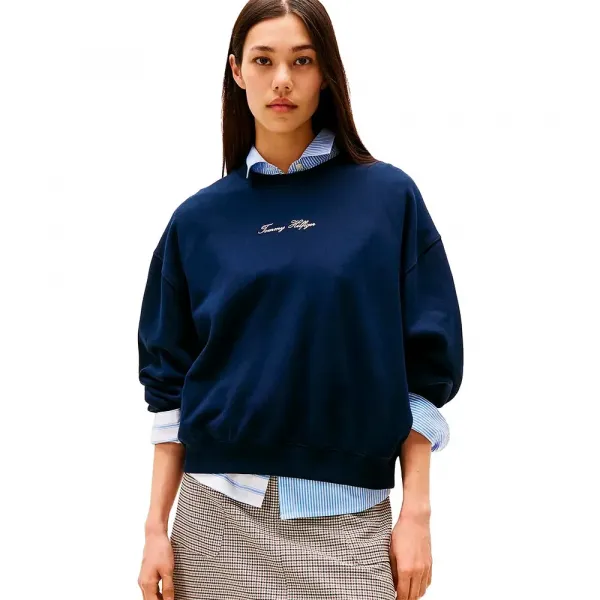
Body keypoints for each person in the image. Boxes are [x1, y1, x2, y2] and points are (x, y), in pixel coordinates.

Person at [136, 0, 463, 598]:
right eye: (264, 61)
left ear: (325, 72)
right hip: (213, 520)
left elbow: (426, 370)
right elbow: (169, 388)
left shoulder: (388, 200)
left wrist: (416, 513)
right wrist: (155, 528)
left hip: (347, 523)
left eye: (302, 61)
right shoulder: (197, 220)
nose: (282, 80)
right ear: (238, 72)